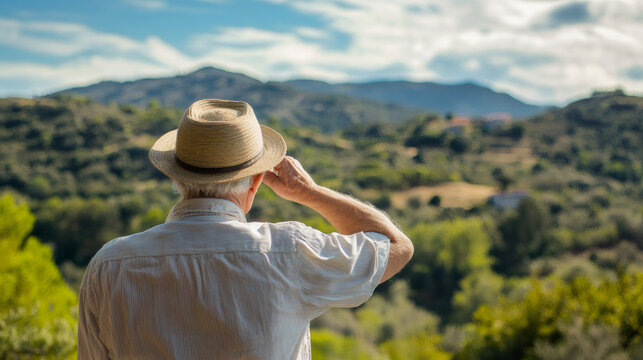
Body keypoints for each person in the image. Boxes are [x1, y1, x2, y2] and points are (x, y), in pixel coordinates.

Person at [78, 99, 414, 359]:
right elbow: (395, 246)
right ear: (256, 181)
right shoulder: (289, 253)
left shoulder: (109, 266)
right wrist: (308, 192)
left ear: (175, 176)